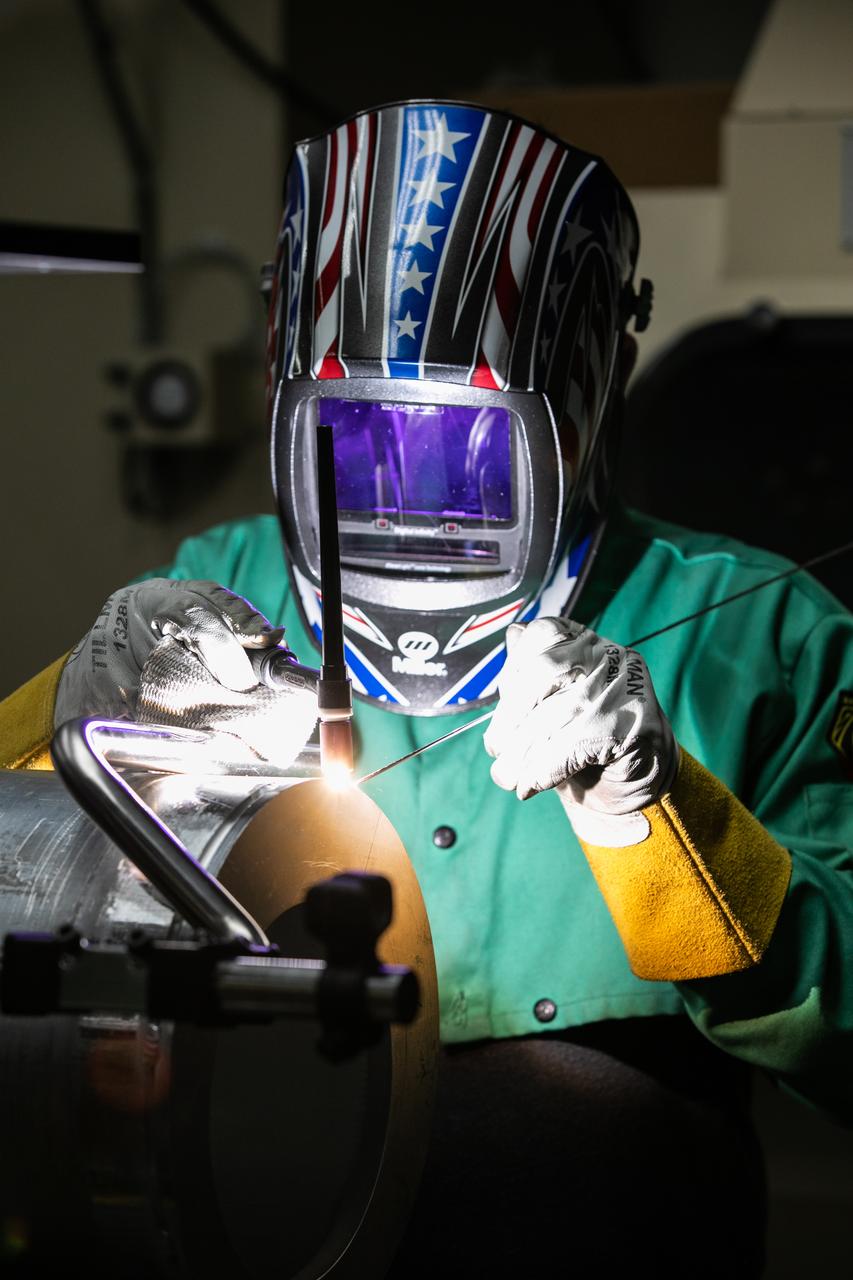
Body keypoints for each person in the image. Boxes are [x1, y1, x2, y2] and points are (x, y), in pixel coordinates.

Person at [2, 101, 851, 1274]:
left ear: (597, 370)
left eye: (467, 450)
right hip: (272, 1213)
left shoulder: (765, 638)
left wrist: (659, 820)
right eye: (358, 442)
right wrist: (62, 714)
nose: (411, 501)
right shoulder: (211, 595)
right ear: (280, 379)